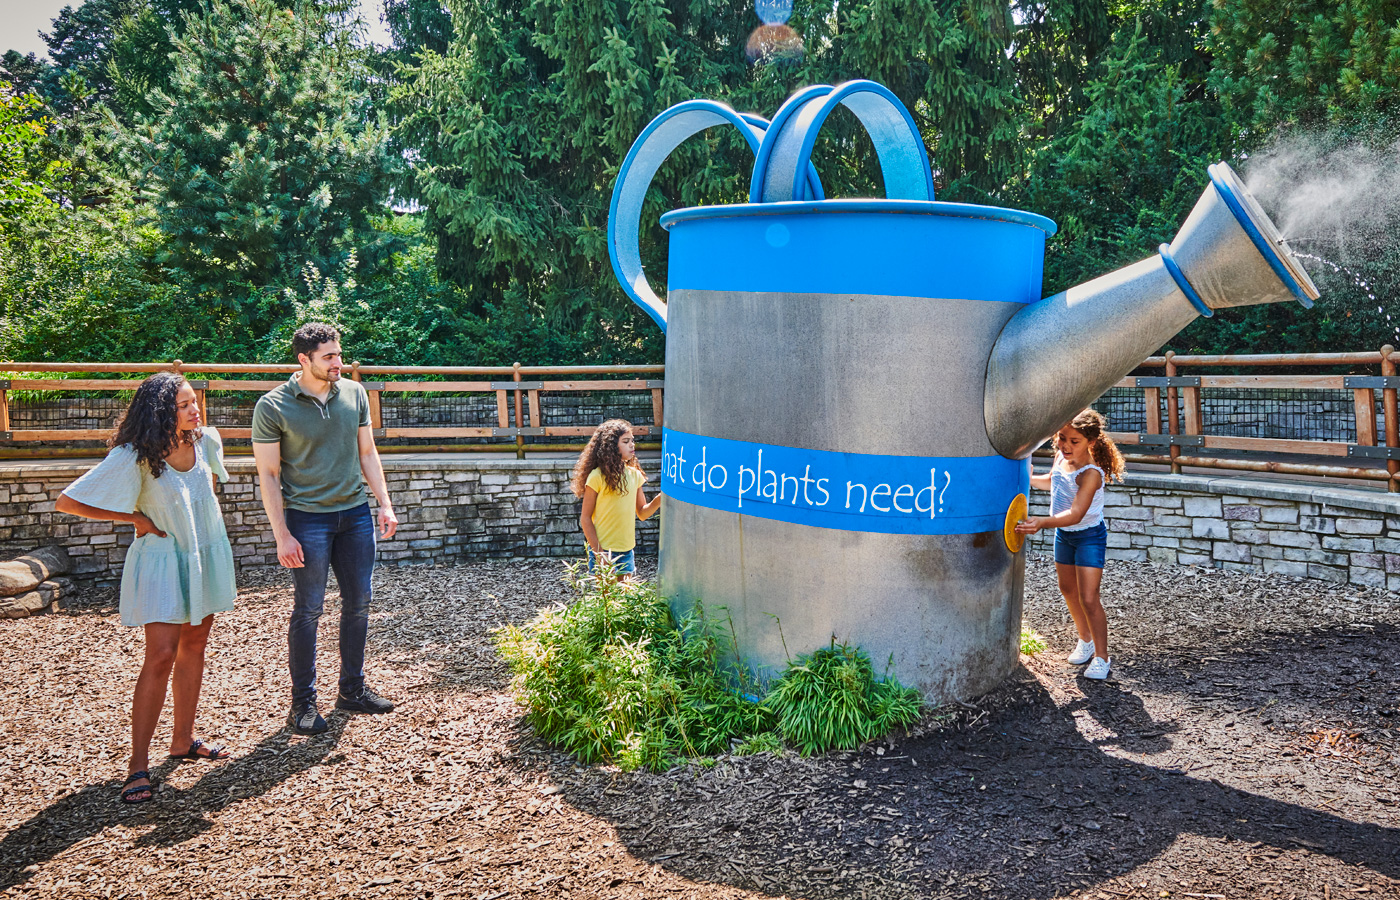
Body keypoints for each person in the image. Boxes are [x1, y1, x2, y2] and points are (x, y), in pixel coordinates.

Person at [56, 373, 237, 803]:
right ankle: (138, 765)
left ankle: (182, 741)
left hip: (203, 559)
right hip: (160, 563)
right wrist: (134, 519)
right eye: (183, 405)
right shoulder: (135, 455)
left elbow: (205, 495)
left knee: (195, 646)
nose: (195, 409)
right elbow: (69, 501)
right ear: (160, 411)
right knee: (159, 657)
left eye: (195, 401)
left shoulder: (207, 441)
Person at [251, 322, 398, 736]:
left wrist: (384, 504)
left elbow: (367, 452)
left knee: (360, 603)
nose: (338, 362)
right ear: (304, 360)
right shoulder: (273, 406)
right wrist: (281, 533)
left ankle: (352, 689)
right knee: (309, 609)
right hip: (307, 520)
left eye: (338, 354)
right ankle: (302, 704)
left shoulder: (353, 393)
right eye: (329, 357)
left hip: (354, 516)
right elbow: (268, 474)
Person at [1015, 408, 1125, 680]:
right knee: (1067, 589)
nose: (1065, 445)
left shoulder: (1091, 474)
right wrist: (1026, 478)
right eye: (1062, 438)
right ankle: (1085, 641)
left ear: (1091, 442)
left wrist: (1041, 521)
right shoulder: (1060, 458)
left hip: (1089, 536)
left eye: (1073, 441)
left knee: (1089, 598)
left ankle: (1102, 657)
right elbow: (1051, 483)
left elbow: (1076, 514)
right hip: (1064, 535)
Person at [571, 419, 661, 578]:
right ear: (611, 447)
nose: (632, 445)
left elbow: (642, 513)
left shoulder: (635, 475)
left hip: (626, 552)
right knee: (607, 601)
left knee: (624, 601)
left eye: (632, 441)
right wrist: (600, 554)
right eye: (626, 441)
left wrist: (660, 499)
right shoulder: (597, 477)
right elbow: (585, 519)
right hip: (603, 550)